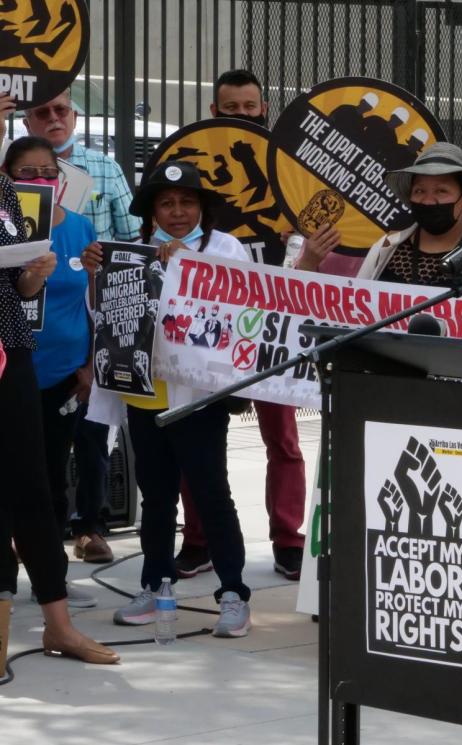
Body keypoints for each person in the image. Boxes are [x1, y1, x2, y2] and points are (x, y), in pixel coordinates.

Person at [99, 161, 254, 638]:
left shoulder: (225, 248)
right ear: (151, 213)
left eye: (187, 202)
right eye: (167, 203)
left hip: (198, 399)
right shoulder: (133, 252)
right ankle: (156, 583)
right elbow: (109, 318)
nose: (178, 211)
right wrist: (96, 274)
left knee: (211, 494)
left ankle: (233, 593)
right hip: (146, 398)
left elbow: (236, 306)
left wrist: (179, 268)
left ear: (202, 207)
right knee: (158, 497)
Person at [174, 69, 307, 582]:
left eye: (250, 107)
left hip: (274, 319)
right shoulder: (193, 163)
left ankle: (289, 539)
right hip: (210, 323)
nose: (243, 116)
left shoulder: (289, 171)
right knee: (200, 438)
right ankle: (199, 539)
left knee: (284, 438)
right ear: (215, 112)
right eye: (232, 108)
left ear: (265, 109)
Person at [0, 171, 118, 668]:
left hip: (11, 351)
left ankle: (59, 625)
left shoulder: (6, 191)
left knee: (30, 486)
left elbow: (18, 289)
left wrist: (35, 274)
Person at [24, 89, 144, 565]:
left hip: (89, 323)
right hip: (24, 346)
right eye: (43, 112)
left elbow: (131, 243)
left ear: (74, 115)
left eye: (62, 110)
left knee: (91, 436)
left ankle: (89, 527)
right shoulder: (10, 186)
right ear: (30, 121)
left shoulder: (106, 169)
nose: (54, 118)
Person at [297, 141, 462, 293]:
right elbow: (355, 310)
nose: (429, 201)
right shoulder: (385, 248)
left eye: (441, 191)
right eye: (419, 191)